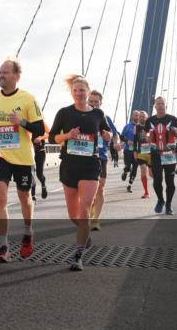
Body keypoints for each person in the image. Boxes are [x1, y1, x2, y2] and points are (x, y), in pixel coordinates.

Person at [49, 74, 111, 272]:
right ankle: (85, 235)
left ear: (88, 91)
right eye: (75, 90)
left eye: (82, 90)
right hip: (69, 165)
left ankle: (78, 255)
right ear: (72, 92)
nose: (78, 93)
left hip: (90, 166)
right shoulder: (64, 113)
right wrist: (68, 135)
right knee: (73, 215)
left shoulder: (98, 114)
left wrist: (107, 135)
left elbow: (106, 132)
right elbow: (52, 138)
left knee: (84, 209)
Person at [0, 57, 45, 261]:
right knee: (0, 196)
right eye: (0, 72)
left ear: (16, 76)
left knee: (24, 198)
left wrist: (23, 122)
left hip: (23, 157)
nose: (0, 75)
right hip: (1, 155)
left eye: (5, 72)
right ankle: (3, 246)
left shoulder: (28, 98)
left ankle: (28, 231)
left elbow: (39, 129)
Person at [146, 97, 177, 215]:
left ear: (165, 106)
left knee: (170, 181)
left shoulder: (172, 119)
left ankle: (168, 204)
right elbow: (145, 137)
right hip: (156, 155)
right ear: (155, 106)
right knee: (157, 180)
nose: (160, 105)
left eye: (162, 103)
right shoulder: (150, 120)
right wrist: (148, 163)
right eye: (158, 104)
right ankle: (160, 200)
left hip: (169, 155)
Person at [88, 90, 119, 231]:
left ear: (101, 103)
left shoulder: (105, 117)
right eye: (91, 101)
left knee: (100, 188)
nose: (94, 104)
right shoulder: (83, 116)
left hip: (101, 157)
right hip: (85, 157)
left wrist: (115, 141)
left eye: (96, 102)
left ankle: (95, 220)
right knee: (88, 190)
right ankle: (88, 212)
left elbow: (114, 134)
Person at [134, 111, 152, 199]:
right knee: (143, 169)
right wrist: (135, 151)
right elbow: (134, 140)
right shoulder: (136, 127)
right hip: (141, 152)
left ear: (147, 117)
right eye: (140, 116)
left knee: (152, 174)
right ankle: (146, 192)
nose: (141, 118)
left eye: (143, 116)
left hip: (151, 153)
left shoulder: (151, 126)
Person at [120, 113, 138, 192]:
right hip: (128, 150)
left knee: (134, 169)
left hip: (137, 151)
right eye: (135, 115)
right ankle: (125, 171)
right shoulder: (127, 126)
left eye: (138, 115)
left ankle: (129, 185)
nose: (136, 117)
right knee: (127, 166)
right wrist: (127, 141)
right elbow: (121, 136)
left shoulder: (141, 127)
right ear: (132, 116)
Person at [31, 133, 48, 202]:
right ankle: (33, 195)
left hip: (40, 152)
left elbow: (49, 133)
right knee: (30, 173)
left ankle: (43, 185)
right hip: (28, 152)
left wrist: (40, 138)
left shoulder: (41, 122)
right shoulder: (23, 123)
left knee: (39, 174)